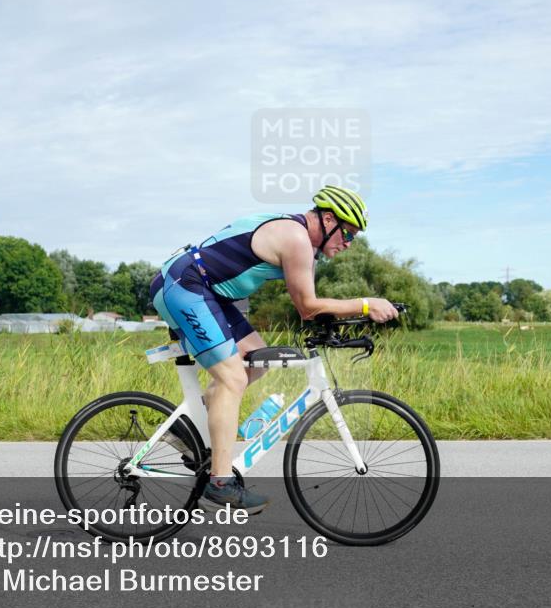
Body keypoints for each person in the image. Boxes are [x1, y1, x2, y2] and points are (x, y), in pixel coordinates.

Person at [149, 185, 399, 512]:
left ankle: (190, 435)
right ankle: (220, 483)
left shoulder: (299, 238)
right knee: (233, 379)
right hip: (185, 286)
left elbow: (311, 307)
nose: (348, 245)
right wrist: (366, 306)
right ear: (327, 219)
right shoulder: (297, 240)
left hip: (206, 290)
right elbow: (308, 307)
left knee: (258, 359)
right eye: (347, 234)